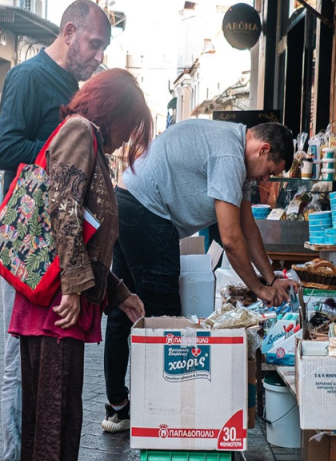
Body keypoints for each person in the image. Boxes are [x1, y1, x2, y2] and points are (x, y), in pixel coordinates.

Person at [10, 69, 150, 461]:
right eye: (129, 127)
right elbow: (63, 209)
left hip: (51, 304)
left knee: (46, 414)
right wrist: (73, 285)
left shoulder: (79, 135)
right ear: (114, 113)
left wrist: (118, 293)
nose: (123, 140)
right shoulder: (81, 133)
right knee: (61, 416)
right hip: (58, 307)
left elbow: (81, 228)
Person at [101, 119, 297, 432]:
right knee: (164, 320)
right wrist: (259, 289)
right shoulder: (230, 157)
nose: (267, 179)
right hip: (148, 215)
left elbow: (247, 226)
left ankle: (118, 408)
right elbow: (231, 240)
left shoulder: (235, 152)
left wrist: (271, 279)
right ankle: (162, 417)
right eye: (270, 171)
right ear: (264, 149)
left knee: (125, 307)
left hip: (129, 202)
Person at [0, 0, 112, 461]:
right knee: (20, 355)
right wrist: (62, 151)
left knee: (46, 360)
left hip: (57, 238)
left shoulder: (75, 90)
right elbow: (4, 149)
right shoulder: (27, 77)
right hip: (28, 240)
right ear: (69, 32)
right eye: (95, 43)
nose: (98, 55)